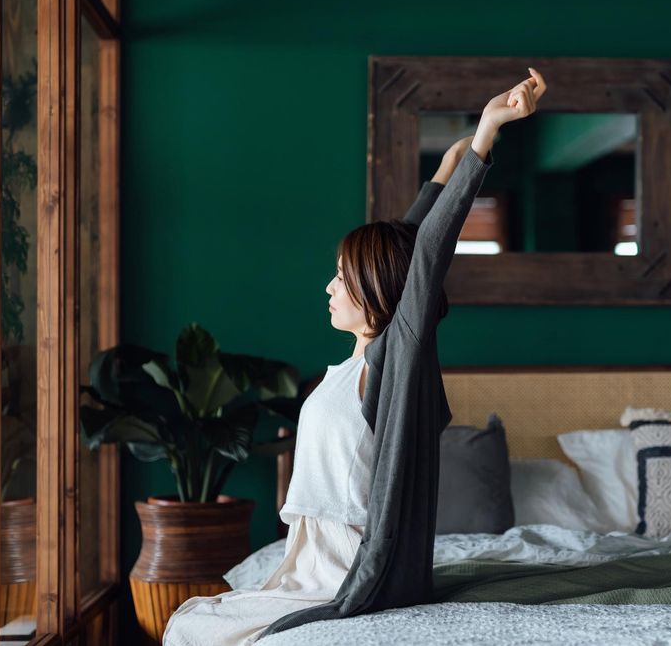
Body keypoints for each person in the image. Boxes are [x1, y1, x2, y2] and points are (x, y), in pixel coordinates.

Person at [162, 67, 547, 645]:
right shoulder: (351, 366)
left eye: (342, 278)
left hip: (351, 572)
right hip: (311, 562)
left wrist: (488, 134)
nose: (329, 288)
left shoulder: (395, 360)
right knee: (189, 621)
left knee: (193, 630)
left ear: (375, 293)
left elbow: (425, 258)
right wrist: (448, 163)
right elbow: (408, 244)